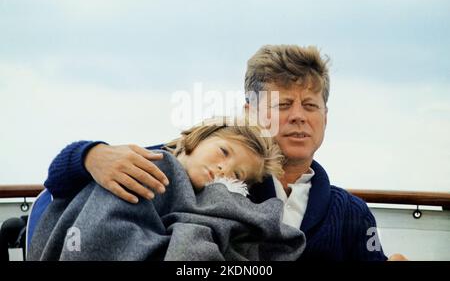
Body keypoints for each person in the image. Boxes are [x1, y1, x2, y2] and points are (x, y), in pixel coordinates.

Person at [39, 45, 404, 260]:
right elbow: (58, 181)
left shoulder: (352, 214)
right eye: (282, 104)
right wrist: (92, 155)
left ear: (326, 117)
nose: (298, 117)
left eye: (310, 105)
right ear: (249, 113)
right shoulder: (201, 169)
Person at [28, 116, 305, 261]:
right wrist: (89, 155)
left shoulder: (214, 200)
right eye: (223, 151)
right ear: (197, 138)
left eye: (236, 175)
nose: (224, 169)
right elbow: (57, 183)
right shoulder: (147, 163)